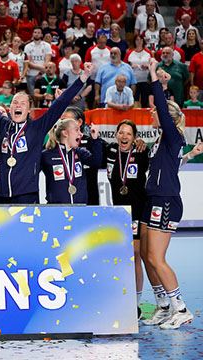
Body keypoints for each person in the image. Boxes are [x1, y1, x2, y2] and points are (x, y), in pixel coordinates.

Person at [0, 63, 93, 204]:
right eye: (15, 102)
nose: (18, 105)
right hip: (1, 194)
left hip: (26, 195)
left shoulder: (37, 128)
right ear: (9, 108)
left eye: (23, 104)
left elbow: (61, 103)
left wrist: (83, 77)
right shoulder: (3, 124)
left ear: (29, 110)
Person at [140, 59, 193, 330]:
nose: (151, 114)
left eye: (155, 111)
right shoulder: (161, 139)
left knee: (158, 258)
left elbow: (161, 105)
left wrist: (153, 78)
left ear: (167, 118)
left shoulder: (173, 137)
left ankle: (181, 308)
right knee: (147, 256)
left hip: (167, 201)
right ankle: (163, 306)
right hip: (153, 200)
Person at [104, 119, 149, 319]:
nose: (124, 136)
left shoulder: (141, 152)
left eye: (128, 134)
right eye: (121, 132)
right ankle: (123, 298)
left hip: (137, 211)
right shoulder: (111, 151)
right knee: (122, 257)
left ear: (135, 137)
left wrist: (144, 144)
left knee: (135, 255)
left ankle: (136, 304)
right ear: (116, 135)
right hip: (118, 212)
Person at [41, 118, 102, 204]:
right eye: (76, 130)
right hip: (56, 210)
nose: (81, 134)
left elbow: (96, 162)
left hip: (80, 208)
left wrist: (95, 140)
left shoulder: (80, 153)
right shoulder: (46, 155)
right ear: (65, 133)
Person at [125, 35, 153, 108]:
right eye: (137, 40)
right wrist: (131, 66)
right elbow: (124, 66)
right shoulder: (129, 52)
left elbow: (153, 65)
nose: (139, 41)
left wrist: (147, 66)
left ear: (143, 41)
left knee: (145, 100)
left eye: (141, 40)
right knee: (134, 100)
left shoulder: (148, 52)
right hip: (134, 81)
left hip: (146, 80)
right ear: (134, 41)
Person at [23, 27, 52, 96]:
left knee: (44, 95)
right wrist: (42, 69)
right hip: (31, 74)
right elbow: (29, 63)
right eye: (35, 32)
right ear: (32, 34)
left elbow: (47, 60)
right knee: (33, 96)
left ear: (42, 35)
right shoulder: (27, 46)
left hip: (43, 75)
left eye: (39, 33)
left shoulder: (47, 45)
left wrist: (40, 73)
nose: (36, 34)